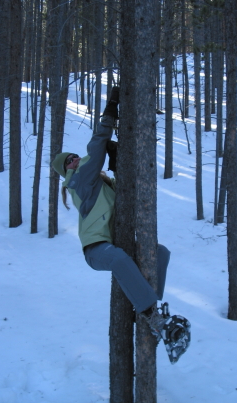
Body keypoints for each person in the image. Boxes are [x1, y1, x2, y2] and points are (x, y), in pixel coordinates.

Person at [52, 87, 190, 363]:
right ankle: (153, 316)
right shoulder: (79, 182)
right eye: (68, 161)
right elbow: (96, 146)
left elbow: (125, 192)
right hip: (96, 250)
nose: (74, 159)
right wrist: (109, 114)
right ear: (65, 171)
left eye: (73, 156)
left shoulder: (102, 183)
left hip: (115, 242)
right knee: (117, 257)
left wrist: (119, 163)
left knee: (159, 252)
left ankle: (151, 312)